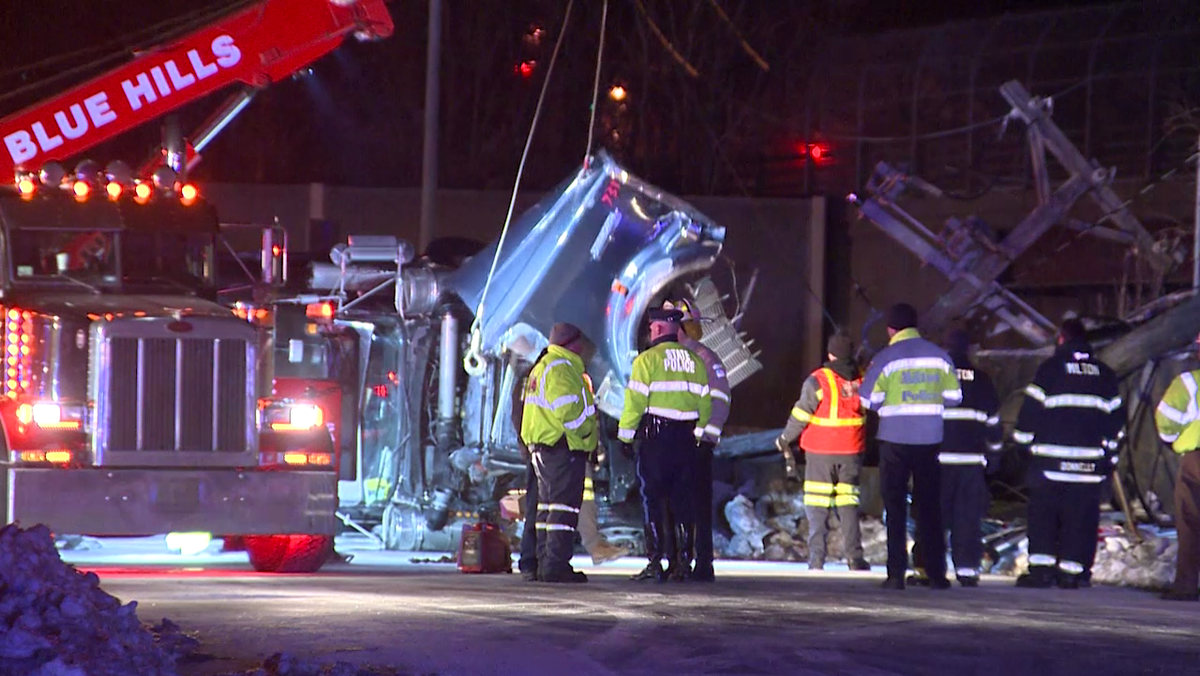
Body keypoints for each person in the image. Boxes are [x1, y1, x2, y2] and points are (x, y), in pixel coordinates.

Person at [1012, 318, 1124, 589]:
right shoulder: (1106, 375)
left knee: (1044, 518)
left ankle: (1041, 571)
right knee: (1081, 519)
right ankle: (1073, 573)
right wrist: (1109, 457)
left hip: (1049, 464)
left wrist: (1023, 446)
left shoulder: (1050, 370)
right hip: (1088, 467)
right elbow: (1117, 425)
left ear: (1061, 339)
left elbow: (1029, 415)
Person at [859, 303, 961, 590]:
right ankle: (937, 574)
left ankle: (895, 574)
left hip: (894, 441)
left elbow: (867, 401)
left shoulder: (885, 358)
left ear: (891, 329)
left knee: (895, 507)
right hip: (930, 440)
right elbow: (953, 397)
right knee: (930, 507)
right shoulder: (940, 356)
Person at [619, 307, 711, 582]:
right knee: (683, 502)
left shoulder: (646, 361)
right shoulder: (696, 362)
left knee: (653, 501)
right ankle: (683, 563)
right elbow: (706, 404)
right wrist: (700, 436)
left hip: (655, 440)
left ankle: (655, 562)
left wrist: (625, 436)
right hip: (685, 440)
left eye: (650, 328)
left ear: (657, 329)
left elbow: (634, 403)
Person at [774, 333, 871, 572]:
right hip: (851, 452)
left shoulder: (818, 380)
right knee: (848, 505)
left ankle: (817, 559)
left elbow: (801, 414)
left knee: (817, 507)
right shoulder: (862, 380)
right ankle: (855, 558)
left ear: (830, 354)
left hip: (820, 453)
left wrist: (785, 439)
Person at [520, 323, 599, 583]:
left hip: (543, 448)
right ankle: (556, 565)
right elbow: (569, 412)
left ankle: (545, 562)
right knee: (563, 510)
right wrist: (587, 432)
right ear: (573, 344)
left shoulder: (543, 366)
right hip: (562, 448)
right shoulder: (562, 369)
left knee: (547, 509)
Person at [666, 299, 731, 582]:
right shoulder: (677, 358)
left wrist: (705, 439)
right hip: (678, 444)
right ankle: (682, 560)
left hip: (697, 445)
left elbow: (719, 400)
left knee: (699, 507)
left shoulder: (705, 359)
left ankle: (703, 563)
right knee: (678, 506)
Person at [935, 328, 1003, 587]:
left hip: (939, 462)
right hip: (972, 463)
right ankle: (967, 571)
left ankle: (934, 569)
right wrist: (994, 458)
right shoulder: (983, 381)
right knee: (967, 519)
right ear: (968, 350)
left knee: (936, 518)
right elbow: (994, 425)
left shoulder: (936, 379)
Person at [1151, 332, 1200, 601]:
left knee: (1191, 523)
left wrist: (1177, 442)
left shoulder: (1189, 383)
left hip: (1196, 461)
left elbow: (1166, 423)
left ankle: (1187, 586)